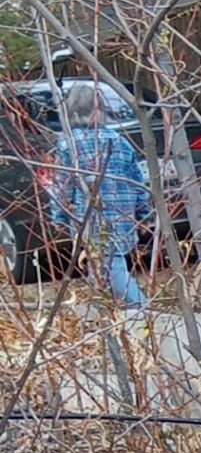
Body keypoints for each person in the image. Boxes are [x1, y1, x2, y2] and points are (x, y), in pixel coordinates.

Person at [46, 83, 152, 308]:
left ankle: (145, 310)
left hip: (90, 217)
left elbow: (62, 186)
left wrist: (58, 217)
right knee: (101, 267)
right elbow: (137, 182)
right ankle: (107, 322)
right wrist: (144, 214)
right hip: (123, 215)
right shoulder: (119, 141)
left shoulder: (68, 146)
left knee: (110, 266)